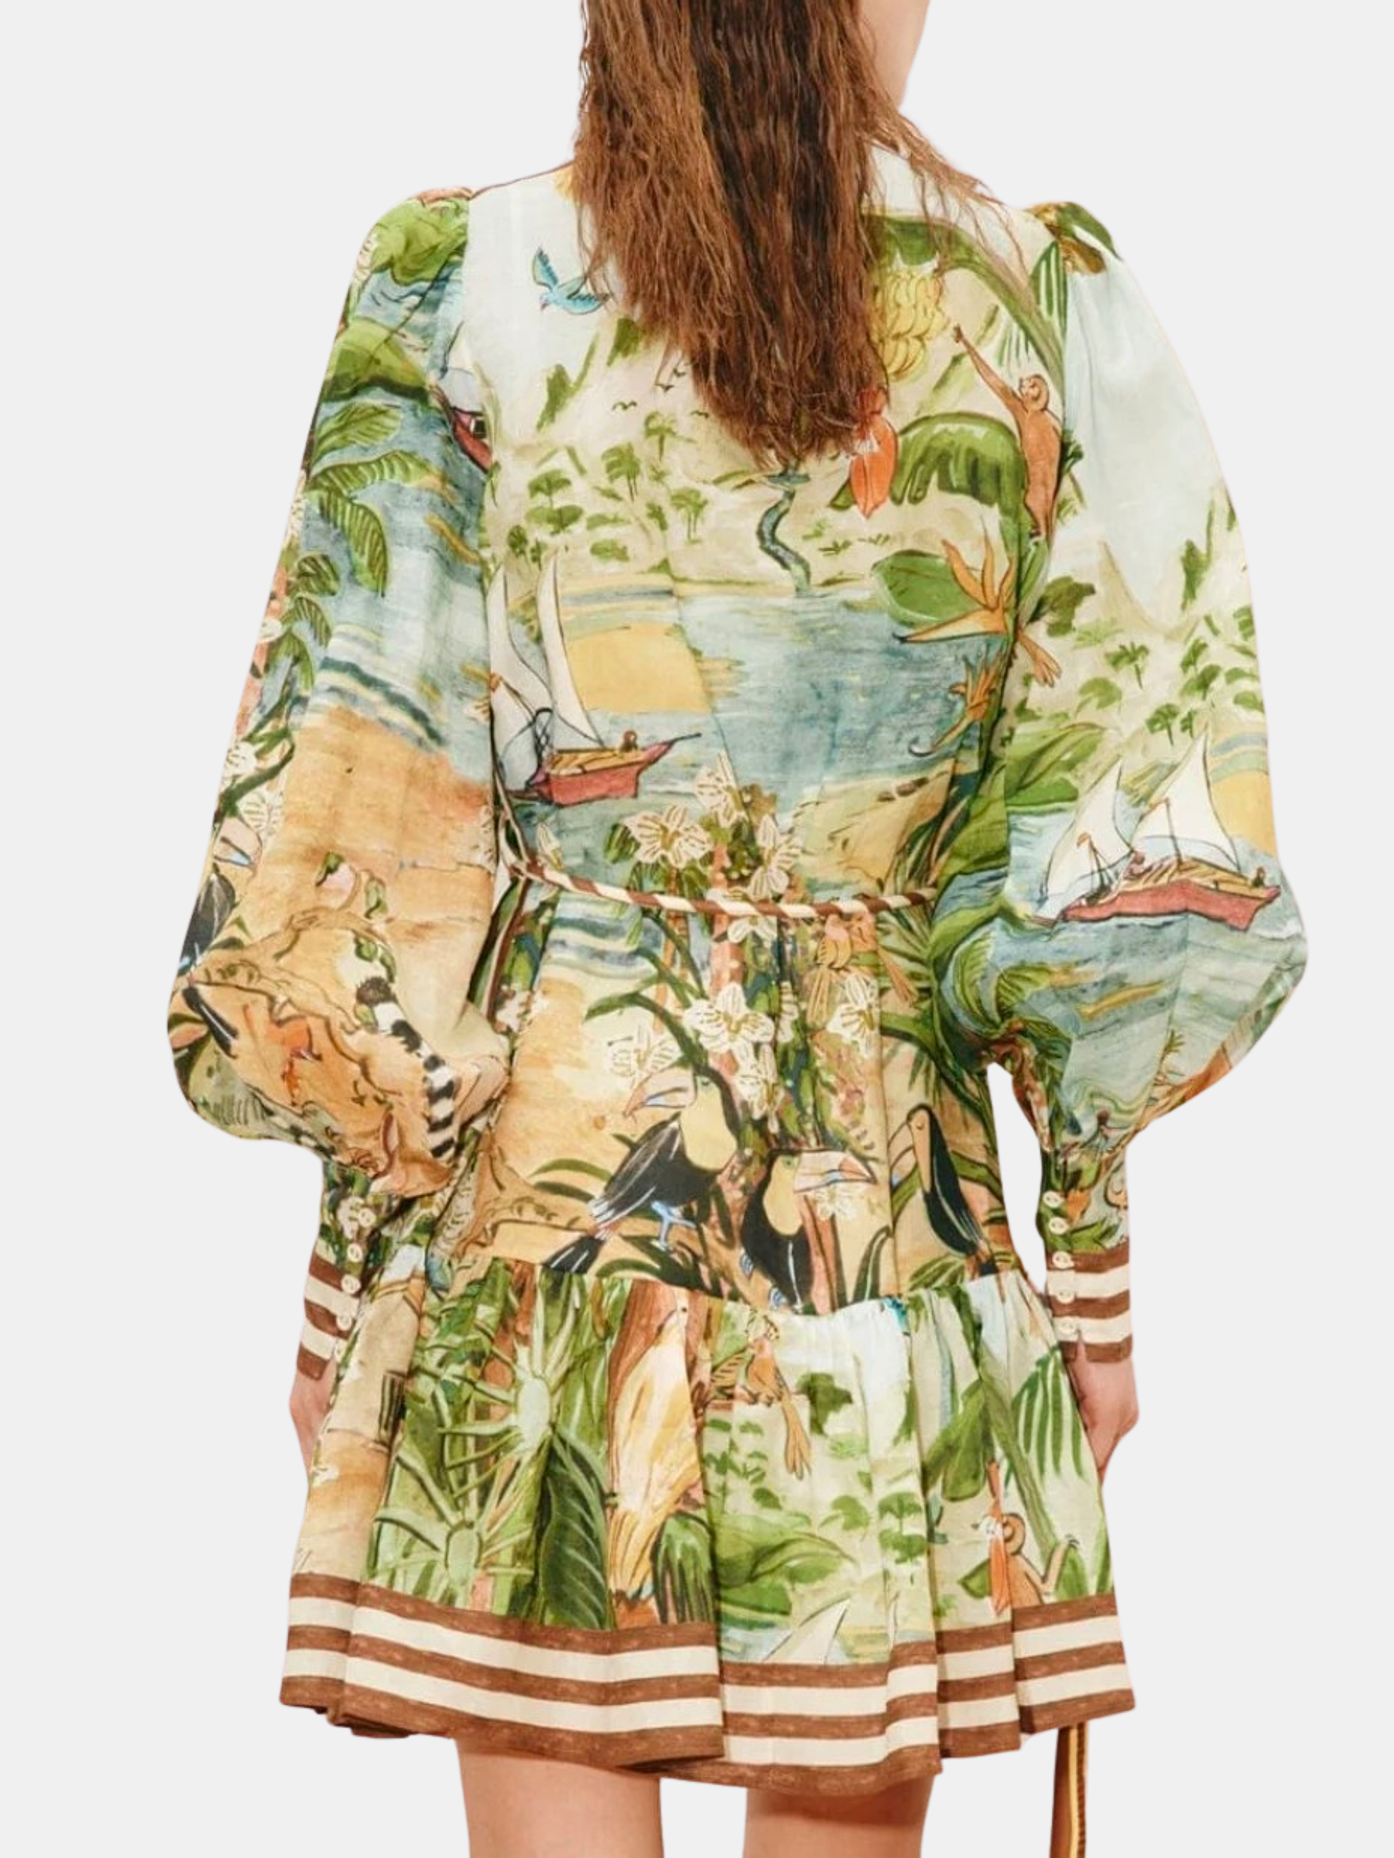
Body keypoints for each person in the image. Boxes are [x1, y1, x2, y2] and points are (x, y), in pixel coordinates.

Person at [163, 2, 1308, 1854]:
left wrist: (343, 1281)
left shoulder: (464, 283)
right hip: (886, 1244)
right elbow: (1117, 842)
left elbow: (371, 831)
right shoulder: (1038, 309)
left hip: (536, 1236)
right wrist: (1087, 1275)